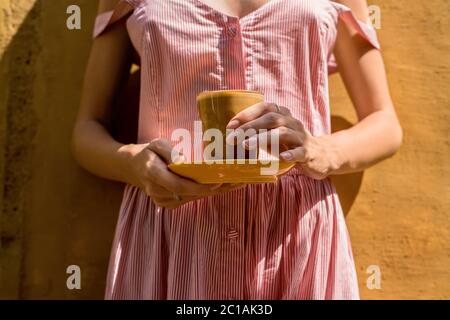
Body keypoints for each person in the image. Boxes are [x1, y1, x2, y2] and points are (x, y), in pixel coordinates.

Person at [72, 0, 402, 299]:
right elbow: (87, 128)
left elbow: (384, 123)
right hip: (172, 233)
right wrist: (134, 164)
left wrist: (321, 150)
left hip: (296, 237)